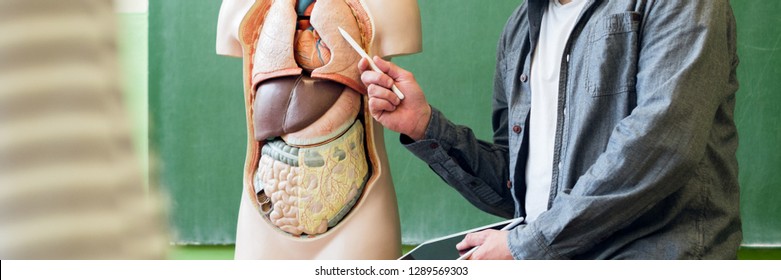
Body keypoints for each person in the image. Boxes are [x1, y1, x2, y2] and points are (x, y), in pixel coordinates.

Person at [358, 0, 742, 259]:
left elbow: (662, 146)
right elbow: (517, 190)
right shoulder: (520, 29)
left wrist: (526, 246)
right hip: (551, 259)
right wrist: (425, 125)